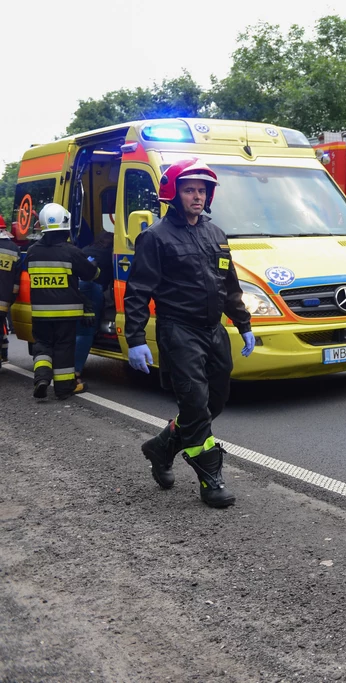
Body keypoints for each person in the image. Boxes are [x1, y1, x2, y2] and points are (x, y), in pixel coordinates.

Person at [123, 157, 255, 508]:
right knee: (195, 405)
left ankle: (161, 447)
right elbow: (138, 292)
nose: (197, 197)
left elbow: (229, 286)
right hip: (178, 331)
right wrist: (135, 339)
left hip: (214, 331)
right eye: (189, 190)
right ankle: (210, 478)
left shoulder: (215, 233)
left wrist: (243, 323)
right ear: (173, 194)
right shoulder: (154, 238)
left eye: (202, 190)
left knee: (215, 401)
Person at [25, 204, 100, 399]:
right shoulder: (71, 252)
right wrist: (93, 265)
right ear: (65, 225)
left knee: (42, 345)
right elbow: (91, 274)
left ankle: (41, 378)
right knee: (63, 347)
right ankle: (64, 388)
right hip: (66, 313)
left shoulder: (32, 252)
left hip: (40, 313)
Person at [74, 230, 114, 389]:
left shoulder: (85, 250)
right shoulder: (108, 254)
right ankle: (76, 371)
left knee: (78, 327)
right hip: (92, 287)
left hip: (76, 288)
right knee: (86, 331)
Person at [0, 216, 19, 365]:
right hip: (4, 299)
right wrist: (12, 297)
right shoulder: (13, 248)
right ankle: (2, 355)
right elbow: (16, 278)